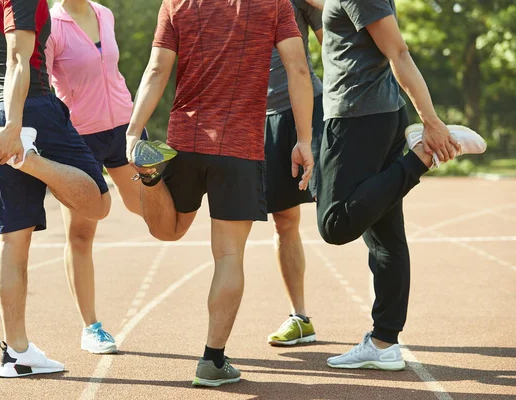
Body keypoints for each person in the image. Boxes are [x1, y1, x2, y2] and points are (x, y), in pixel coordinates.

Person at [125, 0, 315, 387]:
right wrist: (305, 139)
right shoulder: (274, 3)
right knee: (229, 255)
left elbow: (158, 69)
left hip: (187, 138)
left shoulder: (176, 2)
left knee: (168, 230)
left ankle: (149, 178)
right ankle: (212, 361)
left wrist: (132, 131)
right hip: (240, 147)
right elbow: (297, 68)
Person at [318, 0, 486, 370]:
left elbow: (398, 51)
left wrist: (432, 122)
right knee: (386, 239)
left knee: (335, 224)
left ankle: (422, 156)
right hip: (374, 115)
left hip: (357, 118)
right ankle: (384, 342)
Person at [0, 0, 111, 377]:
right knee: (98, 202)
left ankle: (16, 354)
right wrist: (13, 128)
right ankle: (27, 158)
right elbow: (18, 59)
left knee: (12, 240)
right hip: (29, 111)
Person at [45, 0, 148, 354]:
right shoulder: (51, 23)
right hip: (77, 137)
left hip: (123, 126)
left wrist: (136, 121)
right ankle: (91, 327)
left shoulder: (105, 13)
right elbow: (42, 88)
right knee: (81, 232)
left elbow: (112, 72)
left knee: (148, 206)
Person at [265, 0, 324, 347]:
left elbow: (336, 44)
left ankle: (383, 326)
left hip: (310, 108)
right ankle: (300, 317)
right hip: (263, 116)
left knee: (349, 204)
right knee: (283, 220)